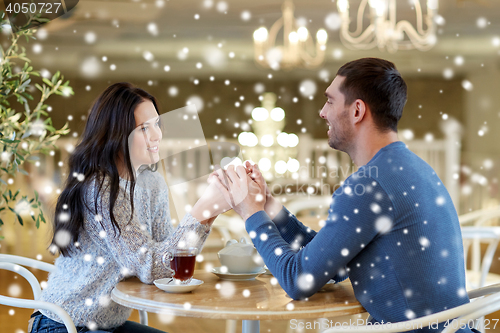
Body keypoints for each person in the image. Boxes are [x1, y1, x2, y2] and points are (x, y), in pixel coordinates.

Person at [212, 58, 479, 333]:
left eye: (329, 101)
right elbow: (331, 263)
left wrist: (250, 214)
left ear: (357, 111)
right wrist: (268, 205)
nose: (322, 112)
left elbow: (298, 281)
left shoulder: (369, 184)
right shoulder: (414, 168)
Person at [29, 82, 229, 333]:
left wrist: (208, 214)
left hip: (108, 324)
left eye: (157, 124)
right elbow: (150, 266)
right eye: (144, 128)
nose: (157, 135)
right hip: (64, 323)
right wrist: (203, 210)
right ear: (116, 134)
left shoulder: (153, 183)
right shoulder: (99, 188)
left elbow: (165, 263)